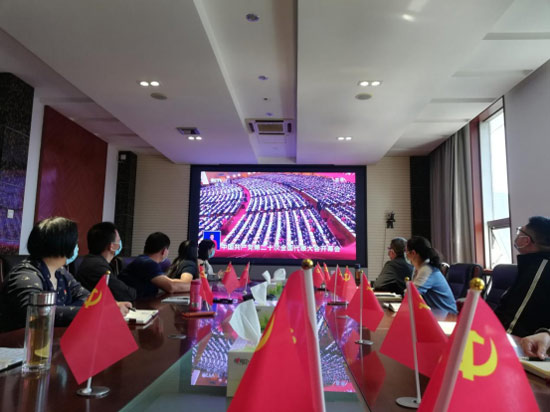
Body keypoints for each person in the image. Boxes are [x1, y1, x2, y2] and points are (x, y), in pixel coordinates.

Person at [0, 217, 131, 333]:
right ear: (63, 244)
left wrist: (109, 306)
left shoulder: (60, 272)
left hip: (55, 341)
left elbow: (87, 297)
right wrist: (98, 311)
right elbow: (38, 314)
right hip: (20, 346)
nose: (77, 246)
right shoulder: (25, 275)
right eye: (75, 242)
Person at [495, 216, 550, 337]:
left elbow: (515, 323)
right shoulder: (533, 265)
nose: (517, 235)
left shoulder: (538, 271)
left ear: (526, 240)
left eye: (519, 232)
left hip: (519, 343)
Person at [75, 222, 137, 302]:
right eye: (119, 240)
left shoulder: (95, 261)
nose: (120, 243)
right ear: (112, 246)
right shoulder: (97, 266)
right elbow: (125, 294)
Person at [119, 232, 190, 298]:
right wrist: (194, 287)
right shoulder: (148, 263)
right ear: (164, 251)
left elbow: (169, 281)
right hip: (133, 304)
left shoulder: (143, 260)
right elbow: (171, 287)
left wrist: (191, 283)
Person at [406, 236, 457, 314]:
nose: (406, 255)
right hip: (437, 313)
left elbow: (412, 293)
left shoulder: (427, 270)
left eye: (406, 251)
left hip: (447, 316)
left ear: (413, 253)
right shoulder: (420, 268)